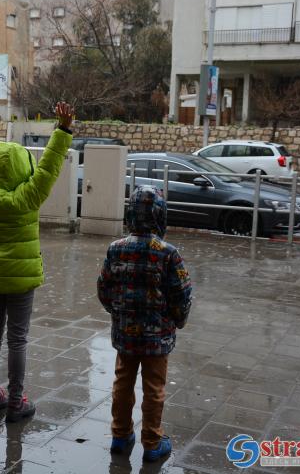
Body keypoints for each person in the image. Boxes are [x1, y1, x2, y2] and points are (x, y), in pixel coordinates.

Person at [0, 92, 74, 422]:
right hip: (21, 280)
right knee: (17, 338)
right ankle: (16, 402)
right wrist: (63, 129)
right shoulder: (29, 195)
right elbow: (48, 166)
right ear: (22, 167)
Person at [98, 186, 192, 463]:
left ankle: (120, 434)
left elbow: (104, 288)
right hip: (157, 338)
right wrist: (177, 320)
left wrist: (117, 313)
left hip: (125, 334)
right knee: (154, 387)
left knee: (122, 382)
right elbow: (182, 293)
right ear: (160, 215)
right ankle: (152, 441)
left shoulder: (116, 249)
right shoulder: (168, 253)